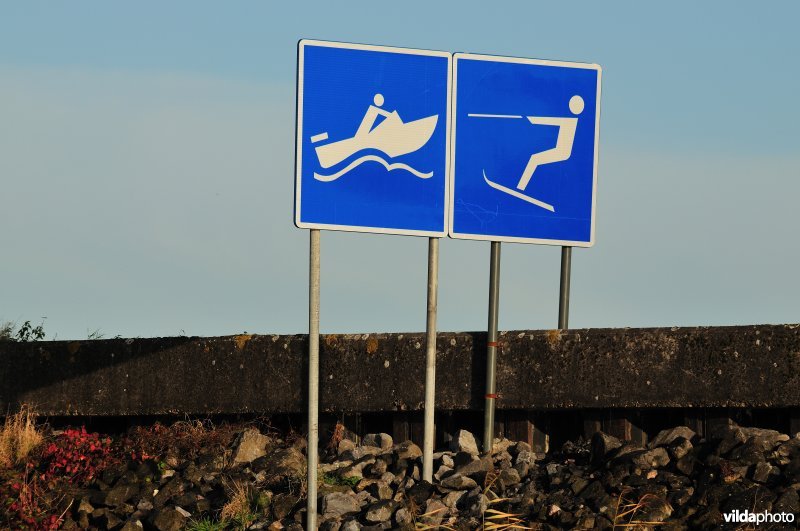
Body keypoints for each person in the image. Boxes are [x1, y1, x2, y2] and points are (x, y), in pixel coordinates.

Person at [516, 95, 584, 191]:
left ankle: (521, 187)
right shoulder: (570, 119)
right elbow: (552, 121)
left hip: (561, 152)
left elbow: (552, 121)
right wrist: (532, 119)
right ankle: (522, 186)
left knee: (534, 159)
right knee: (535, 159)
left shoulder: (570, 121)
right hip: (560, 150)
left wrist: (532, 119)